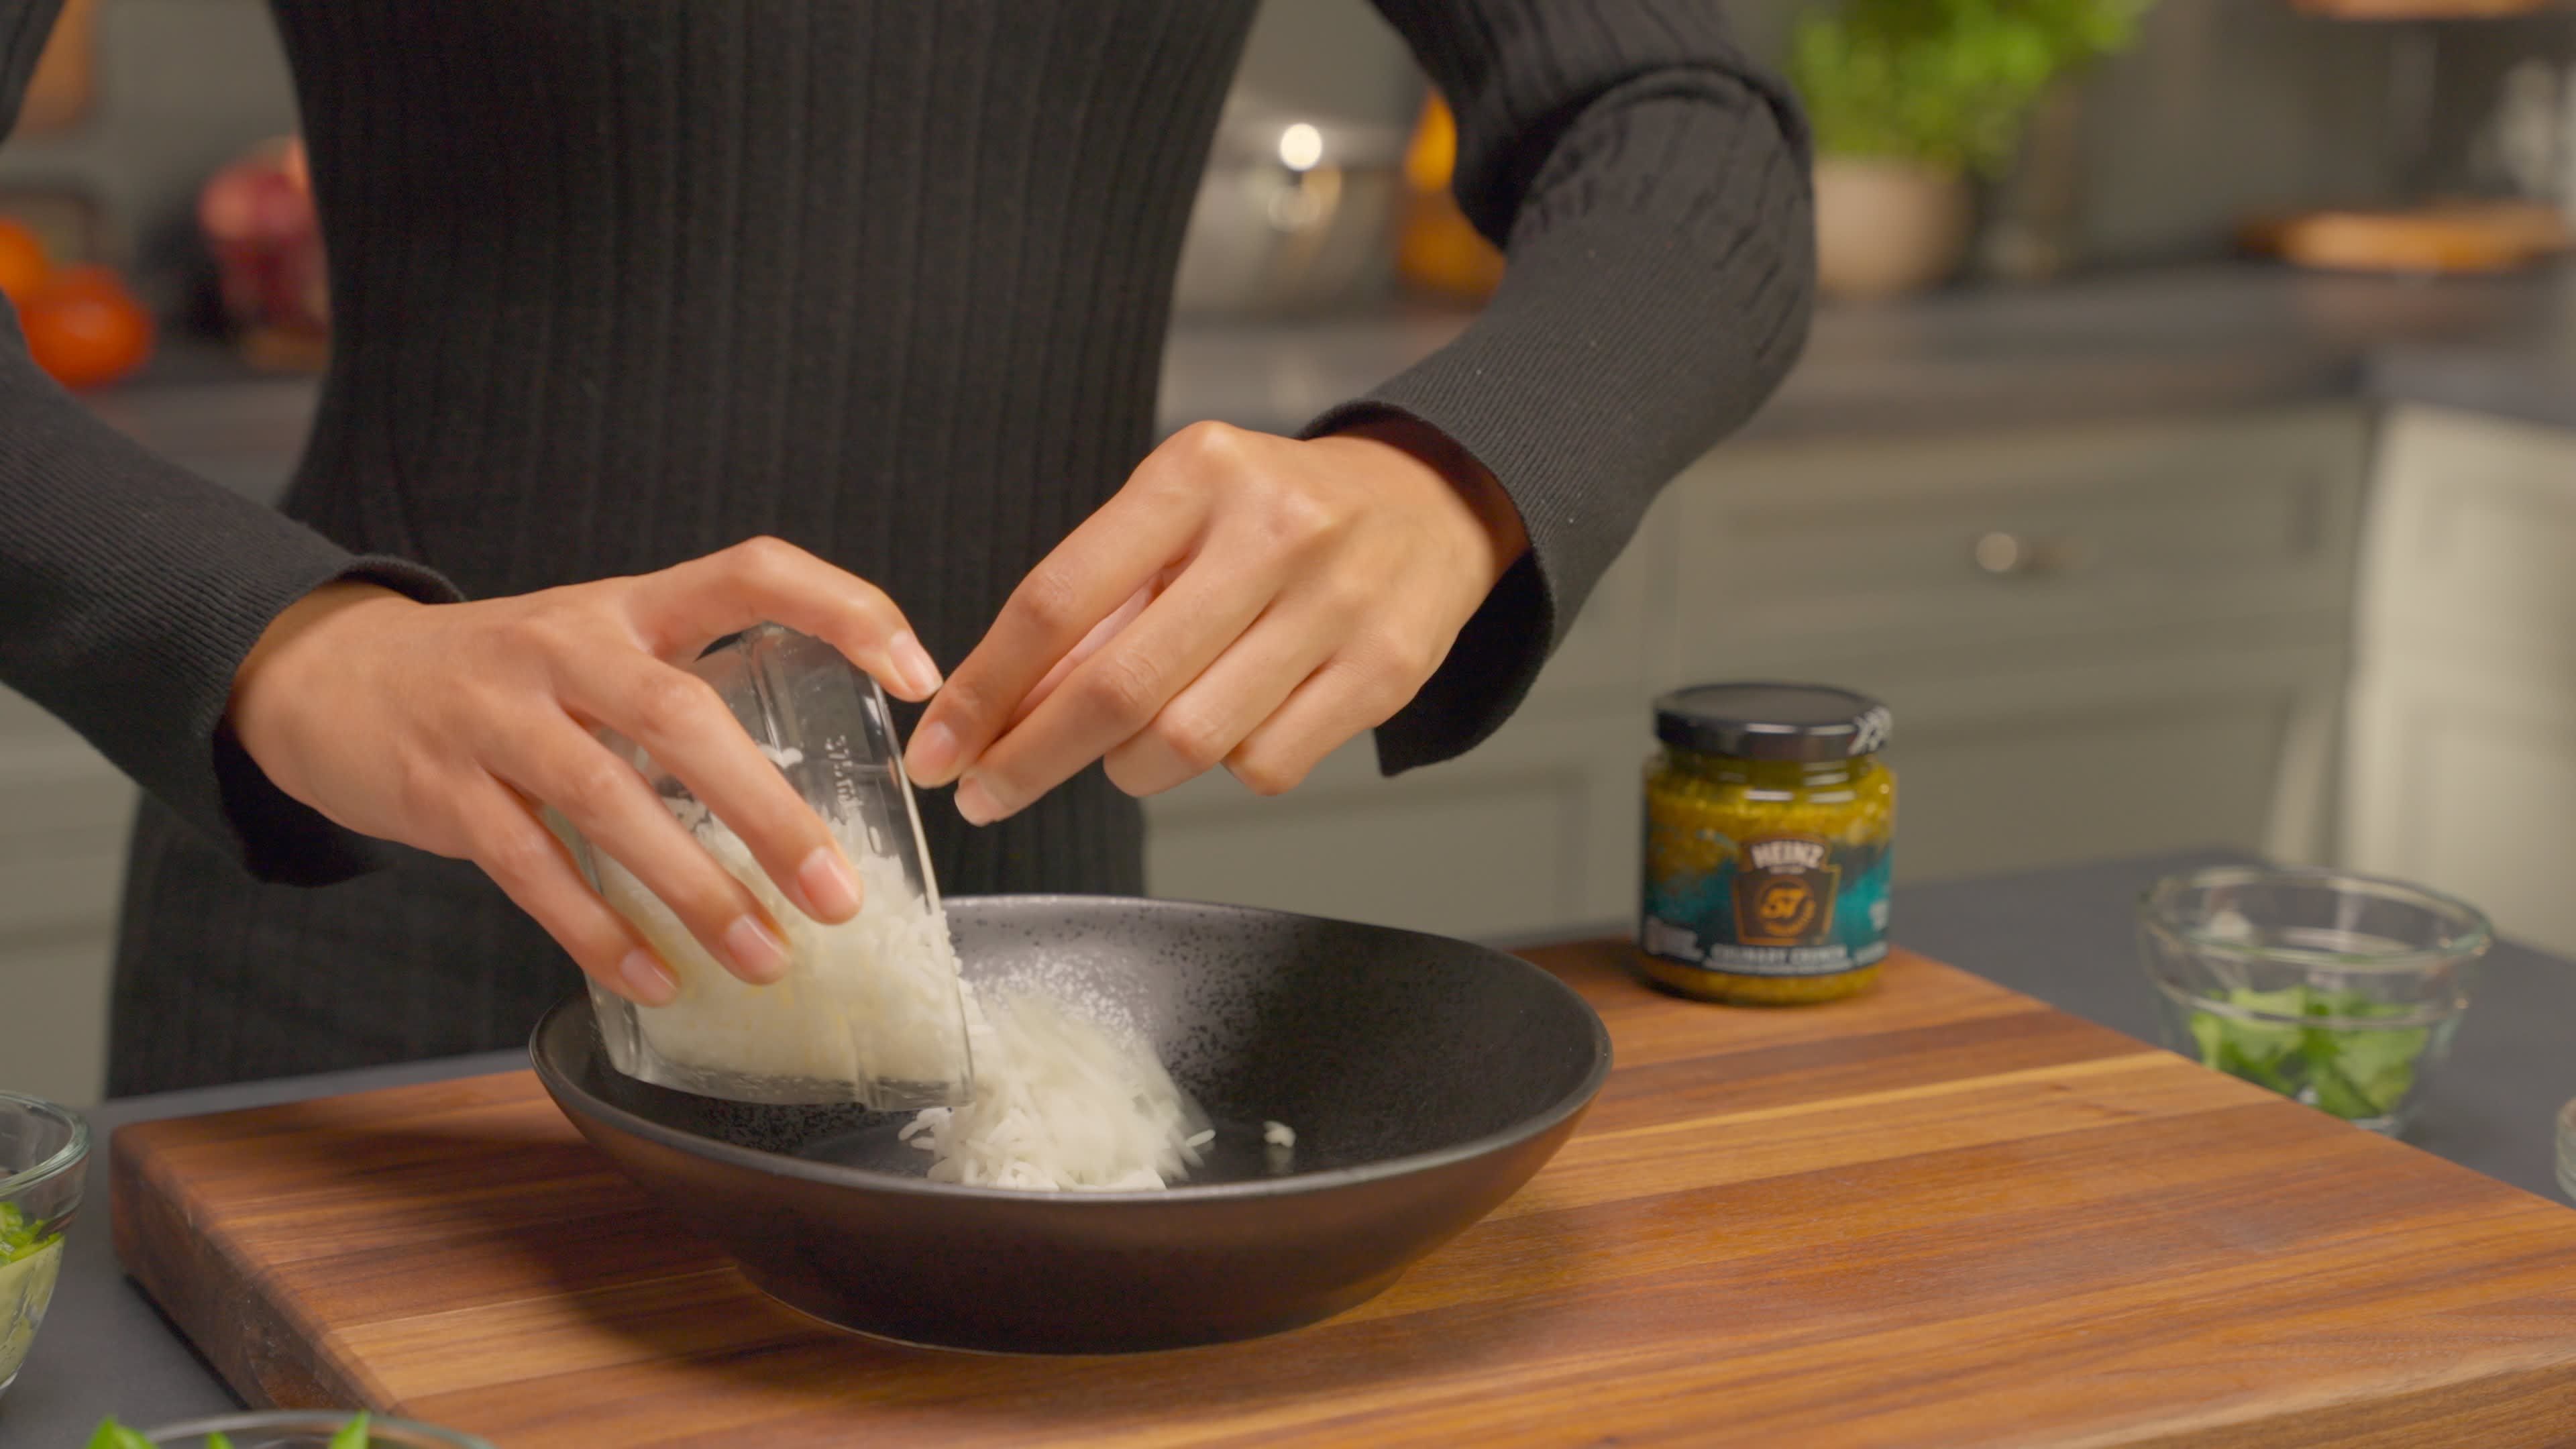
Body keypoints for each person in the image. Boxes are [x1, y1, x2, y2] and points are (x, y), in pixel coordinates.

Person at [0, 1, 1814, 1097]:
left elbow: (1680, 122)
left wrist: (1458, 468)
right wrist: (301, 648)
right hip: (381, 983)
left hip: (1032, 999)